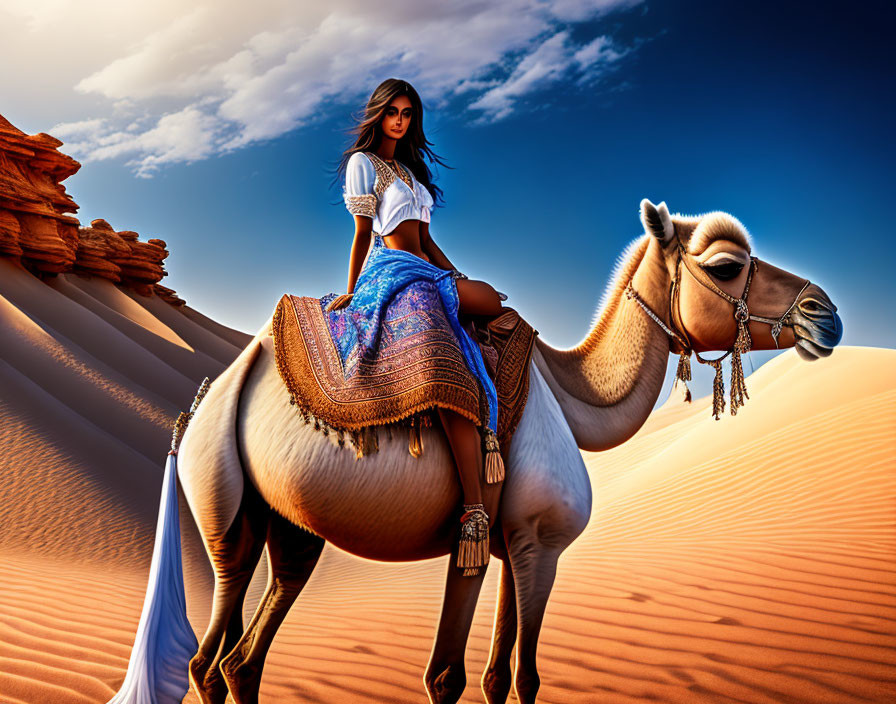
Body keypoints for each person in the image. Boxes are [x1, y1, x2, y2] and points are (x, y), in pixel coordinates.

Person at [328, 78, 505, 574]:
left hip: (427, 267)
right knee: (441, 353)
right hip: (391, 268)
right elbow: (364, 232)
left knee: (491, 301)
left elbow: (429, 241)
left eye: (407, 113)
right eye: (392, 112)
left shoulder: (409, 171)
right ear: (378, 115)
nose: (400, 120)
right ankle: (474, 507)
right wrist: (353, 287)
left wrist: (458, 275)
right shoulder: (363, 165)